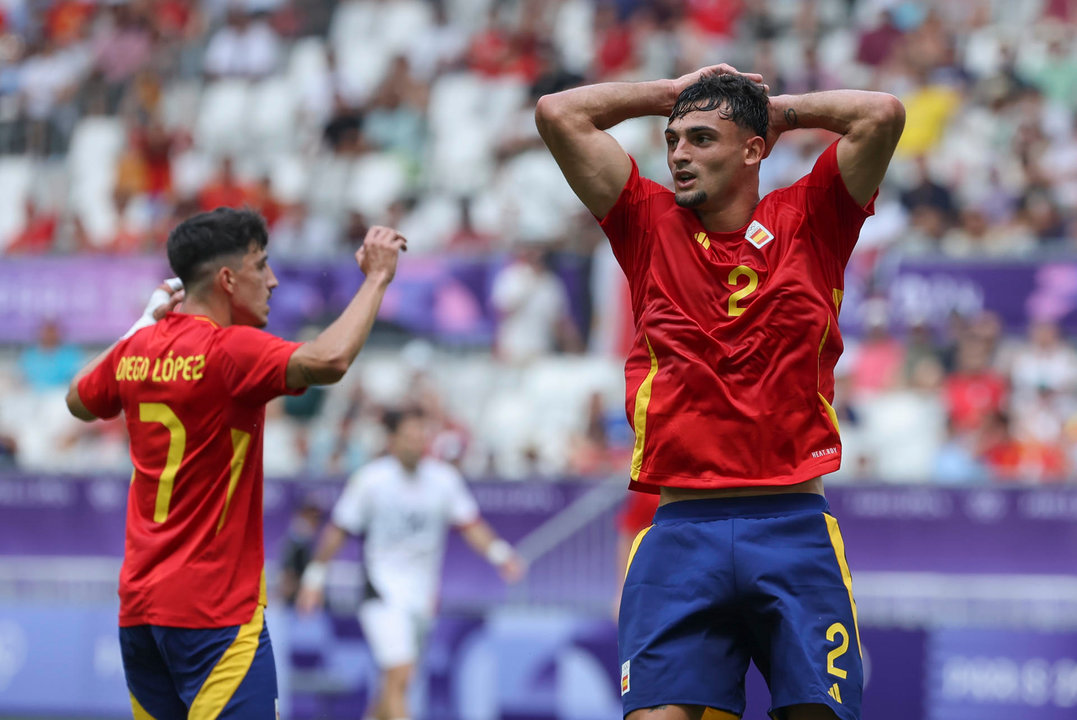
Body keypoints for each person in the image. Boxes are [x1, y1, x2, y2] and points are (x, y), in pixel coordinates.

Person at [536, 66, 905, 720]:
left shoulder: (813, 218)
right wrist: (667, 90)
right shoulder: (643, 222)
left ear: (752, 149)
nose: (678, 153)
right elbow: (557, 113)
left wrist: (776, 110)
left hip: (791, 528)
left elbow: (880, 113)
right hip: (678, 531)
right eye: (672, 139)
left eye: (702, 138)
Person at [65, 207, 406, 718]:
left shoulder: (136, 350)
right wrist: (377, 278)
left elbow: (76, 399)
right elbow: (329, 360)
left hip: (140, 613)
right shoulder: (228, 351)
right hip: (215, 614)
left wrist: (141, 322)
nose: (271, 281)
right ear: (227, 278)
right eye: (261, 266)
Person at [296, 406, 526, 720]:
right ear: (392, 441)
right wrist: (313, 579)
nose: (416, 443)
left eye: (421, 436)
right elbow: (338, 529)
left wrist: (501, 555)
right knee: (400, 671)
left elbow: (470, 524)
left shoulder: (443, 480)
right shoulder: (371, 480)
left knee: (395, 683)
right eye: (408, 437)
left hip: (421, 597)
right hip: (380, 592)